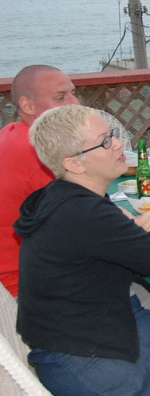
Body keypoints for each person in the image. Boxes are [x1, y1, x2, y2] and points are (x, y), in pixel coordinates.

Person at [15, 105, 150, 395]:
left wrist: (130, 232)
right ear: (74, 164)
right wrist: (143, 232)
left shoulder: (56, 196)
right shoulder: (88, 213)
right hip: (95, 361)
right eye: (105, 142)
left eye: (112, 135)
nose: (117, 145)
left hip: (70, 340)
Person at [0, 65, 79, 297]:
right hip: (26, 288)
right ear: (27, 105)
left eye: (73, 93)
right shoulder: (39, 153)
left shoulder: (12, 132)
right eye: (60, 97)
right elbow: (84, 226)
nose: (74, 103)